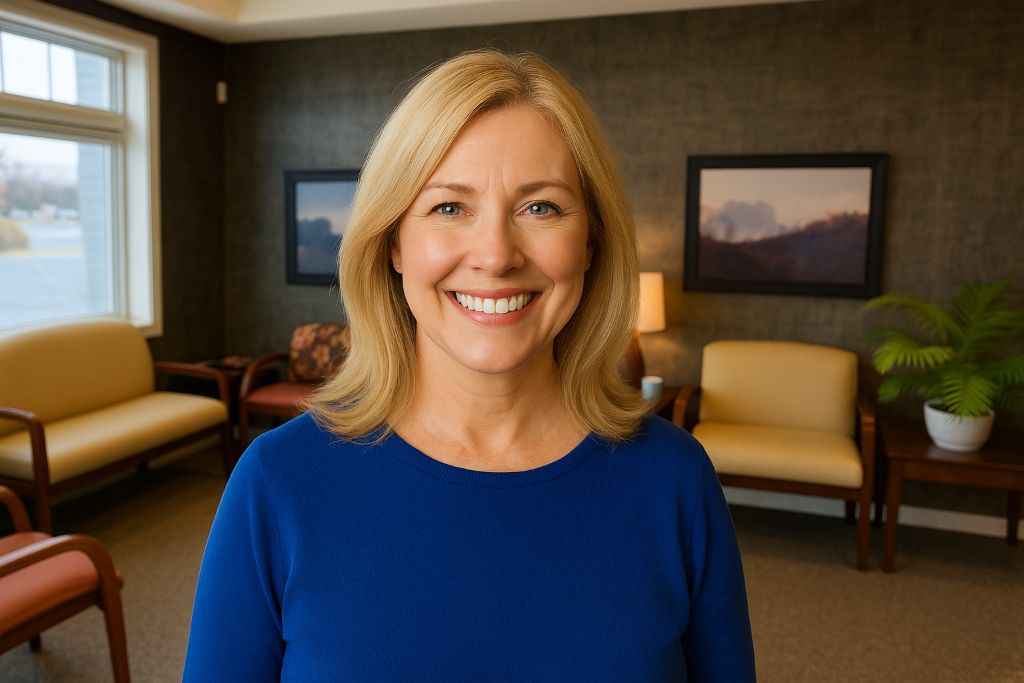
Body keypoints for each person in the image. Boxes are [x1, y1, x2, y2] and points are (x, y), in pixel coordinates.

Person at [182, 48, 756, 682]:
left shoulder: (673, 480)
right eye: (449, 207)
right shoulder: (278, 482)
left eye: (541, 207)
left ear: (590, 241)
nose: (496, 254)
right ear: (394, 241)